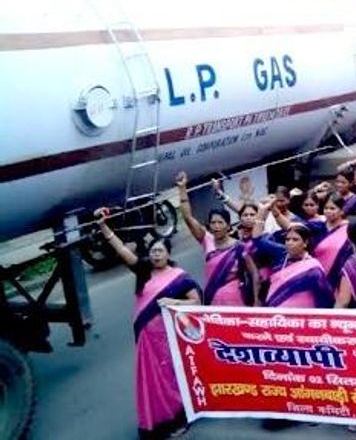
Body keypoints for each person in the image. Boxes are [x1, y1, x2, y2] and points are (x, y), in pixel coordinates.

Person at [96, 208, 201, 440]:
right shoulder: (143, 271)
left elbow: (196, 301)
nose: (155, 255)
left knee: (169, 378)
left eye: (160, 251)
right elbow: (123, 251)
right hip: (145, 337)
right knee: (150, 380)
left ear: (168, 253)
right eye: (153, 250)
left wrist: (172, 301)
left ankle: (178, 418)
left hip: (167, 337)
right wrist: (104, 228)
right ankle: (154, 422)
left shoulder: (179, 277)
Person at [176, 172, 258, 306]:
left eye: (220, 223)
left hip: (237, 301)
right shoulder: (206, 240)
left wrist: (256, 303)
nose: (216, 226)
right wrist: (182, 189)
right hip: (213, 300)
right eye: (213, 223)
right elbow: (188, 218)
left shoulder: (239, 246)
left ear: (228, 226)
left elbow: (254, 274)